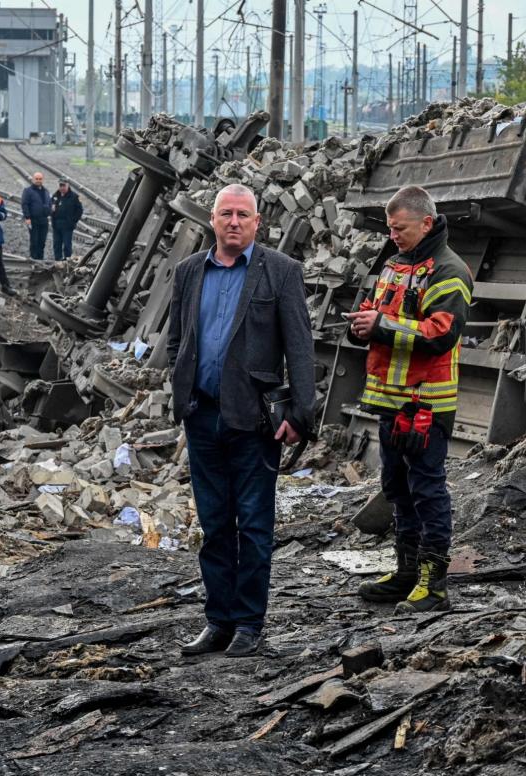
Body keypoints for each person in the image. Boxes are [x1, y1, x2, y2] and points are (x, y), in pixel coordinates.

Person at [166, 183, 315, 658]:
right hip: (202, 416)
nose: (234, 222)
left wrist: (299, 414)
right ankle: (218, 621)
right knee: (213, 525)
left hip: (254, 421)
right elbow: (177, 341)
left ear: (257, 222)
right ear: (212, 219)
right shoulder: (190, 271)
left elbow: (300, 347)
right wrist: (182, 391)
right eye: (226, 213)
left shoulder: (281, 272)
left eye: (243, 215)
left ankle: (249, 623)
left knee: (252, 523)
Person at [347, 185, 473, 613]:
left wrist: (379, 325)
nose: (393, 235)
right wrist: (360, 325)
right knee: (397, 490)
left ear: (426, 222)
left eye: (399, 228)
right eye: (389, 228)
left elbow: (442, 334)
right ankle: (405, 573)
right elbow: (373, 308)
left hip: (426, 407)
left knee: (427, 491)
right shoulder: (394, 264)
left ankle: (433, 585)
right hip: (390, 403)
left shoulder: (449, 271)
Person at [50, 178, 84, 263]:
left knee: (67, 245)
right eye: (60, 185)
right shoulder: (55, 196)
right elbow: (50, 207)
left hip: (67, 226)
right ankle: (58, 261)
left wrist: (73, 221)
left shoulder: (74, 197)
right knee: (56, 245)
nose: (62, 187)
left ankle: (67, 262)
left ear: (68, 185)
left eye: (63, 185)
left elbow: (79, 210)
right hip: (56, 225)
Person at [21, 171, 52, 262]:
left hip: (44, 220)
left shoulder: (46, 191)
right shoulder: (28, 191)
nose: (38, 180)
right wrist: (27, 217)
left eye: (40, 179)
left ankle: (40, 260)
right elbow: (24, 204)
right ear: (33, 179)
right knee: (34, 241)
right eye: (36, 179)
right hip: (33, 220)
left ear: (42, 180)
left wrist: (49, 211)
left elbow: (49, 203)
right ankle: (34, 260)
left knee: (42, 242)